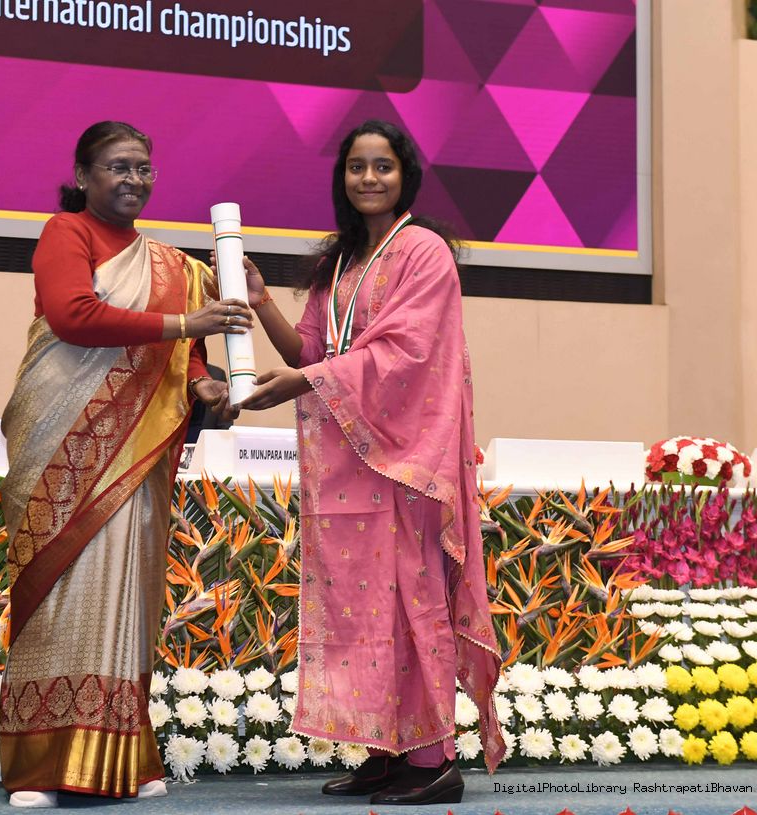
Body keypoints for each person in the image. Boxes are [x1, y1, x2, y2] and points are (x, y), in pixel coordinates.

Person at [230, 120, 504, 805]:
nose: (369, 178)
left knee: (411, 605)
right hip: (349, 467)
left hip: (407, 462)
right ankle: (385, 751)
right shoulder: (342, 263)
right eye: (357, 167)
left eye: (383, 166)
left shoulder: (423, 251)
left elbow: (409, 354)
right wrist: (261, 301)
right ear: (342, 177)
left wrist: (305, 381)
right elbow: (310, 354)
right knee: (363, 613)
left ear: (405, 175)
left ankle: (434, 760)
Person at [0, 121, 251, 808]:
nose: (133, 179)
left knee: (126, 596)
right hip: (62, 445)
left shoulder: (172, 266)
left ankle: (122, 756)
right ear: (83, 175)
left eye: (143, 167)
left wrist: (204, 384)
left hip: (133, 456)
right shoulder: (66, 231)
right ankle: (40, 767)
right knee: (59, 594)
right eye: (117, 166)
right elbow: (74, 315)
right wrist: (185, 327)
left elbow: (185, 358)